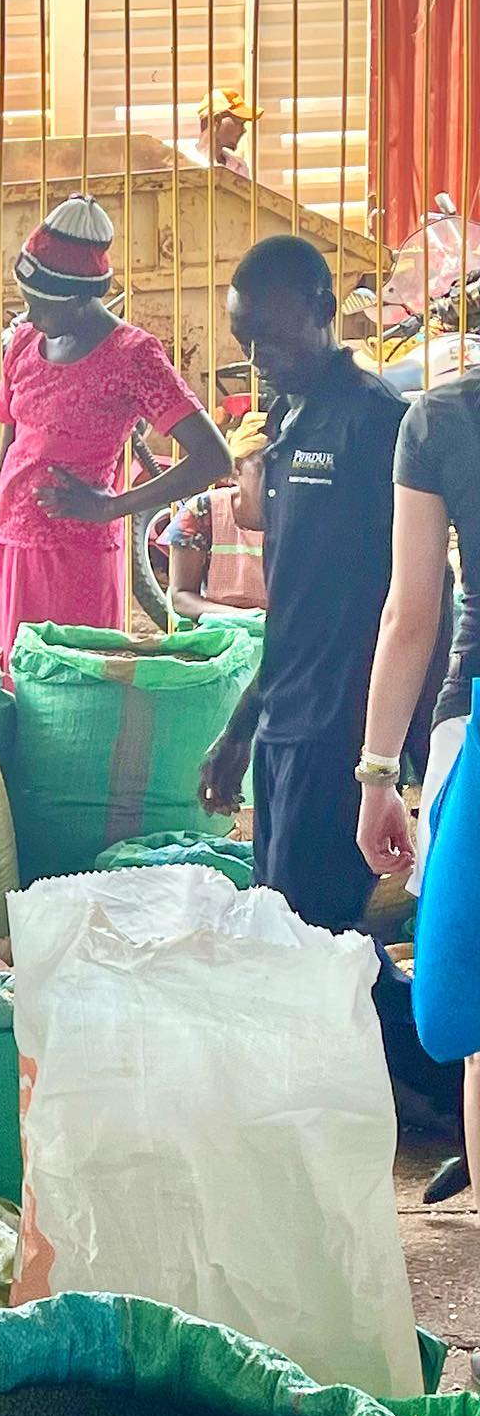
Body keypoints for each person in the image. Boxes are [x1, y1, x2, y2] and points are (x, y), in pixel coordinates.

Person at [197, 235, 463, 1140]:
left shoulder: (376, 421)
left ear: (321, 310)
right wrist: (240, 729)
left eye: (273, 338)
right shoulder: (294, 419)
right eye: (246, 343)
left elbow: (422, 601)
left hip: (344, 735)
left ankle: (426, 1086)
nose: (260, 359)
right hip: (286, 726)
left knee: (320, 943)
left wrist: (402, 751)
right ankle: (418, 1088)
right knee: (300, 936)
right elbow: (292, 605)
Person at [0, 194, 231, 670]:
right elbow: (3, 473)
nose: (28, 317)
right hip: (12, 556)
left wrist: (112, 508)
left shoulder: (133, 357)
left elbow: (213, 458)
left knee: (74, 697)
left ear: (78, 301)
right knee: (16, 692)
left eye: (39, 306)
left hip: (78, 566)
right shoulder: (23, 346)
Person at [358, 369, 480, 1225]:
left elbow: (411, 613)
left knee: (475, 1030)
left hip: (470, 730)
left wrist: (377, 773)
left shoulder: (445, 417)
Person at [161, 408, 269, 622]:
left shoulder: (303, 515)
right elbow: (181, 596)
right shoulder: (204, 511)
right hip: (219, 631)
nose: (277, 478)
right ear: (235, 470)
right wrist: (247, 617)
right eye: (264, 468)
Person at [178, 88, 262, 178]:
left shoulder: (240, 167)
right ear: (216, 120)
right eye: (239, 123)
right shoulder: (182, 160)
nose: (243, 130)